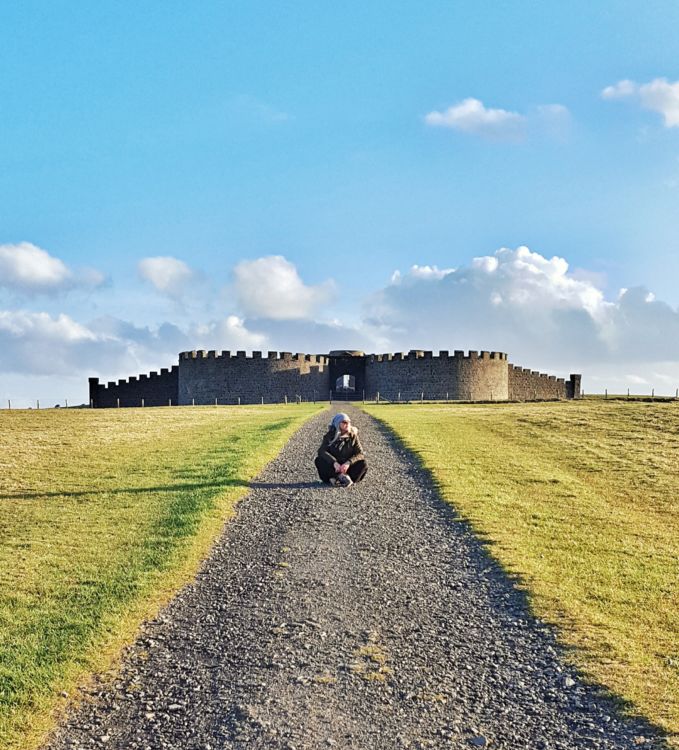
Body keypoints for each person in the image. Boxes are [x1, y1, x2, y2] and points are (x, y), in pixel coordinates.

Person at [315, 412, 368, 487]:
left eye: (348, 422)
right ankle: (338, 477)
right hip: (334, 468)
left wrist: (348, 463)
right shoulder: (330, 435)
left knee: (363, 464)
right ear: (337, 423)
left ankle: (342, 478)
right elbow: (321, 451)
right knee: (319, 460)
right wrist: (334, 462)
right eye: (344, 422)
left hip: (347, 467)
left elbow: (360, 453)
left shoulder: (353, 436)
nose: (347, 424)